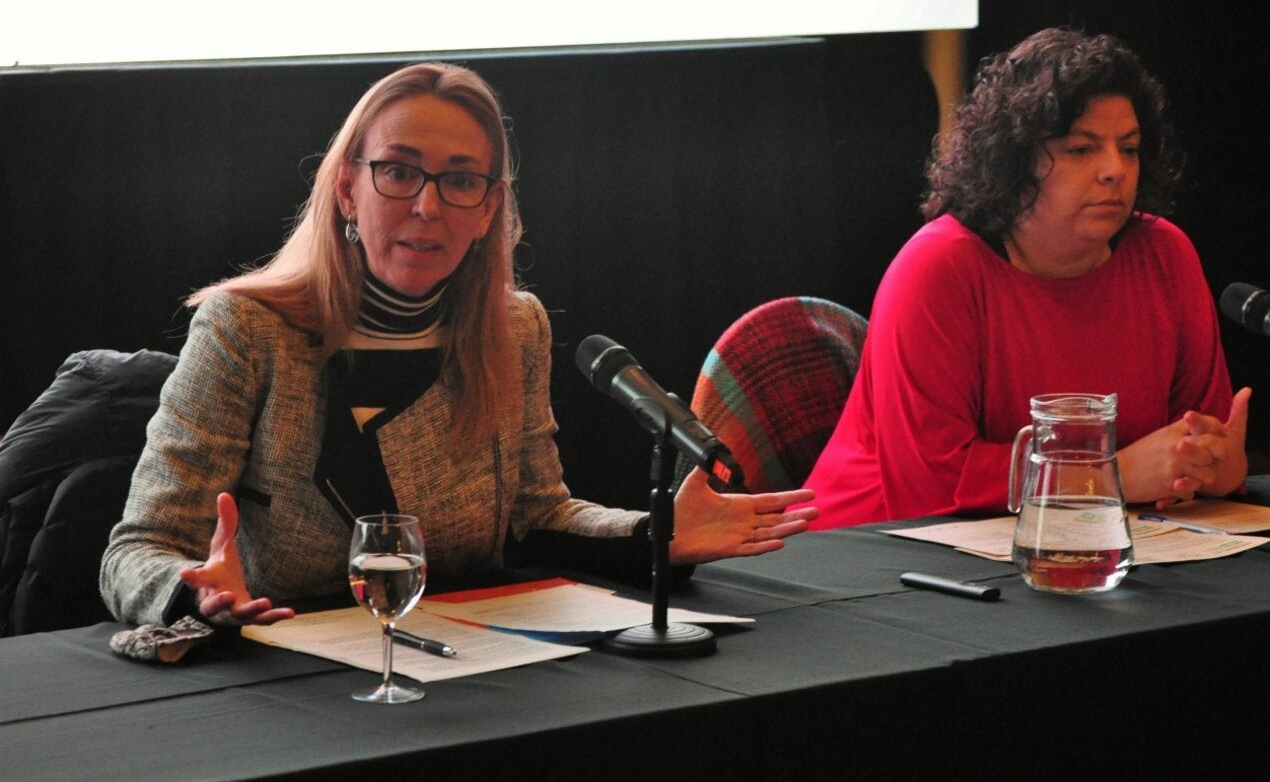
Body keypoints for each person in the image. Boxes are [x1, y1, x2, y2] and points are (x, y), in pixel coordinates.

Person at [100, 61, 816, 627]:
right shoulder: (246, 329)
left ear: (489, 210)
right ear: (348, 188)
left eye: (461, 180)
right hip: (286, 673)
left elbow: (537, 516)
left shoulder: (515, 327)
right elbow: (138, 549)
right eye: (400, 171)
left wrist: (656, 534)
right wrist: (190, 589)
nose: (428, 205)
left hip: (470, 665)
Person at [804, 27, 1249, 529]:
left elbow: (1198, 442)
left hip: (1083, 540)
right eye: (1081, 149)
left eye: (1129, 148)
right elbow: (930, 486)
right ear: (1013, 160)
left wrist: (1216, 465)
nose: (1114, 170)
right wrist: (1111, 476)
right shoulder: (937, 267)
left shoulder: (1164, 254)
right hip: (871, 555)